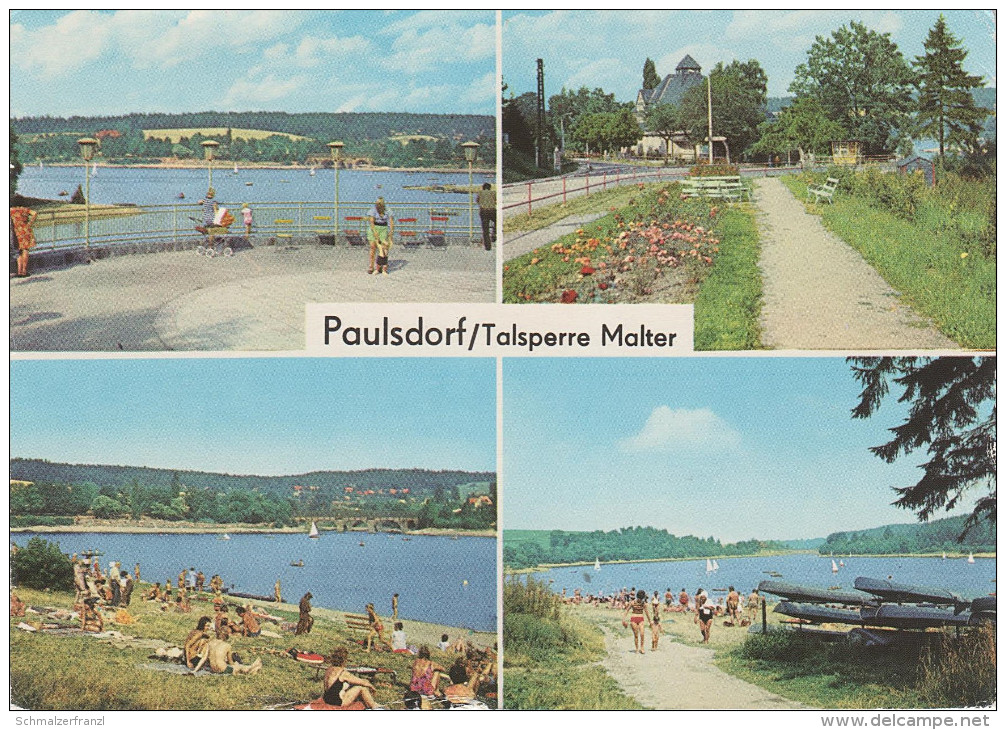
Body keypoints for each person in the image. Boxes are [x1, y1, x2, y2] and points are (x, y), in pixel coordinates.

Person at [192, 637, 262, 675]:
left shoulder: (210, 643)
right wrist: (236, 664)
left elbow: (204, 658)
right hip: (222, 669)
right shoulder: (227, 645)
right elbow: (231, 662)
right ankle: (251, 668)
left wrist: (195, 670)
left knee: (236, 667)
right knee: (238, 667)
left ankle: (251, 667)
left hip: (213, 669)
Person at [366, 197, 394, 276]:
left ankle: (382, 266)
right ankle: (371, 266)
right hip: (374, 228)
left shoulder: (388, 210)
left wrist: (391, 233)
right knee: (373, 247)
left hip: (383, 228)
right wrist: (375, 233)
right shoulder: (373, 210)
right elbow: (371, 222)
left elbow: (391, 221)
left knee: (384, 248)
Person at [9, 206, 38, 278]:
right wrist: (29, 223)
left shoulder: (11, 210)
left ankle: (19, 271)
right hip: (25, 230)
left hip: (16, 231)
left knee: (18, 251)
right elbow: (35, 213)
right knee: (25, 249)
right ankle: (24, 271)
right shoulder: (24, 209)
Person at [622, 589, 652, 654]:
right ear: (637, 597)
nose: (640, 600)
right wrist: (623, 620)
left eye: (641, 599)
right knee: (636, 635)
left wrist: (650, 622)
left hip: (641, 619)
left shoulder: (643, 603)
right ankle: (636, 648)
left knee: (642, 634)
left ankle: (642, 648)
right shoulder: (632, 602)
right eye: (640, 598)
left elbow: (647, 613)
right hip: (633, 619)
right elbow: (627, 610)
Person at [477, 182, 496, 251]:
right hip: (492, 210)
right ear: (490, 188)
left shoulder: (480, 193)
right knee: (497, 221)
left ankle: (488, 247)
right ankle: (494, 233)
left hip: (483, 211)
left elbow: (477, 201)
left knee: (485, 230)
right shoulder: (493, 192)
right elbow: (496, 200)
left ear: (483, 187)